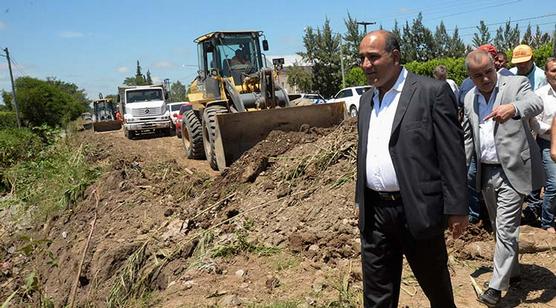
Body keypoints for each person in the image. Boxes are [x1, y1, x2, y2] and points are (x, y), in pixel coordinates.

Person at [356, 30, 468, 308]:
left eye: (373, 57)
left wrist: (457, 208)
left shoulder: (431, 92)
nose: (366, 65)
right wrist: (361, 199)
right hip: (376, 213)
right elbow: (365, 153)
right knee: (376, 293)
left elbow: (451, 154)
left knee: (436, 288)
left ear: (394, 57)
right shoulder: (366, 101)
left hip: (417, 210)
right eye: (362, 58)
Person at [462, 50, 543, 306]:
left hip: (512, 170)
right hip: (487, 172)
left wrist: (514, 108)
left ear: (494, 67)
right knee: (499, 228)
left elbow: (536, 104)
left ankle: (496, 288)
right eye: (478, 76)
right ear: (470, 77)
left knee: (506, 229)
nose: (485, 79)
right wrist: (460, 170)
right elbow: (467, 137)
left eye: (488, 72)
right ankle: (514, 272)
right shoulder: (468, 98)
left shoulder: (516, 84)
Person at [510, 44, 547, 225]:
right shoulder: (510, 74)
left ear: (532, 59)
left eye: (524, 62)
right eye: (519, 63)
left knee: (535, 162)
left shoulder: (541, 76)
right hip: (516, 123)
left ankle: (534, 204)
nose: (521, 66)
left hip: (537, 123)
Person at [530, 57, 556, 233]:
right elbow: (535, 123)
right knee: (553, 184)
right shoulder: (539, 95)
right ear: (546, 74)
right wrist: (554, 132)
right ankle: (547, 222)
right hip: (547, 145)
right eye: (553, 70)